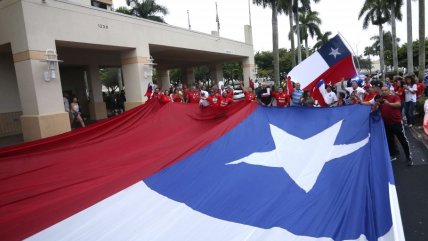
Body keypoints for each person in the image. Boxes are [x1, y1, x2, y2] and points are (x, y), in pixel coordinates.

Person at [367, 86, 413, 166]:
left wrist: (388, 103)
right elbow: (374, 109)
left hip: (397, 123)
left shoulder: (395, 97)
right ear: (380, 91)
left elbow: (398, 105)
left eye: (385, 90)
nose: (384, 91)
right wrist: (376, 104)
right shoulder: (380, 99)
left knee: (402, 140)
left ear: (389, 90)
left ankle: (408, 157)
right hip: (386, 123)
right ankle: (393, 154)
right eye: (382, 90)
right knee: (389, 140)